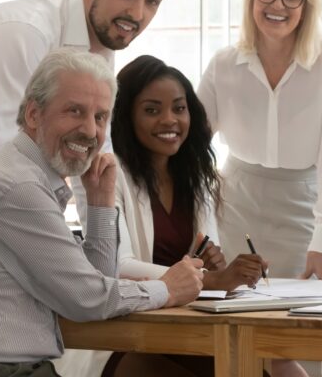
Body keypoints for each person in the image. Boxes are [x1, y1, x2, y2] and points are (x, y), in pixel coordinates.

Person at [0, 48, 204, 377]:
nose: (90, 130)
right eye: (74, 111)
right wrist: (167, 287)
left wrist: (100, 203)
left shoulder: (27, 176)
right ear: (33, 115)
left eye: (100, 117)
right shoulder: (17, 186)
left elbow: (95, 283)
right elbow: (87, 299)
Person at [56, 55, 268, 377]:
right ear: (126, 116)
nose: (169, 120)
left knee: (254, 371)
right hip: (128, 338)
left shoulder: (197, 176)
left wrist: (221, 267)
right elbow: (118, 266)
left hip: (189, 332)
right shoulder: (104, 171)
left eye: (179, 108)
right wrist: (211, 278)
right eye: (152, 110)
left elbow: (207, 258)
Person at [198, 0, 322, 281]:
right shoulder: (223, 64)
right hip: (233, 207)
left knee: (294, 318)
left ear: (307, 4)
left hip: (302, 210)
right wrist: (202, 227)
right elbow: (190, 152)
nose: (277, 5)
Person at [0, 0, 175, 166]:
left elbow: (94, 153)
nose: (137, 13)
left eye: (152, 1)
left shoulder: (102, 42)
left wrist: (104, 201)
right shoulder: (25, 35)